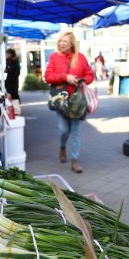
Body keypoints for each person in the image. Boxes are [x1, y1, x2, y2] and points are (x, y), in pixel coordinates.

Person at [45, 32, 94, 173]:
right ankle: (62, 147)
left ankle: (75, 160)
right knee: (63, 130)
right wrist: (64, 77)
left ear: (72, 43)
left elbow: (90, 75)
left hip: (77, 102)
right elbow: (47, 77)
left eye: (65, 41)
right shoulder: (54, 57)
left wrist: (81, 80)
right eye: (60, 41)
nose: (61, 43)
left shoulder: (80, 58)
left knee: (76, 131)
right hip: (61, 101)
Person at [4, 48, 22, 115]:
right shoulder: (8, 61)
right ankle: (12, 110)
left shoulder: (15, 61)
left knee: (14, 95)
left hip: (13, 81)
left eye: (8, 53)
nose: (7, 55)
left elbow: (17, 72)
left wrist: (9, 70)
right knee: (10, 95)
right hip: (8, 81)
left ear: (11, 54)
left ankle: (17, 110)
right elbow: (7, 69)